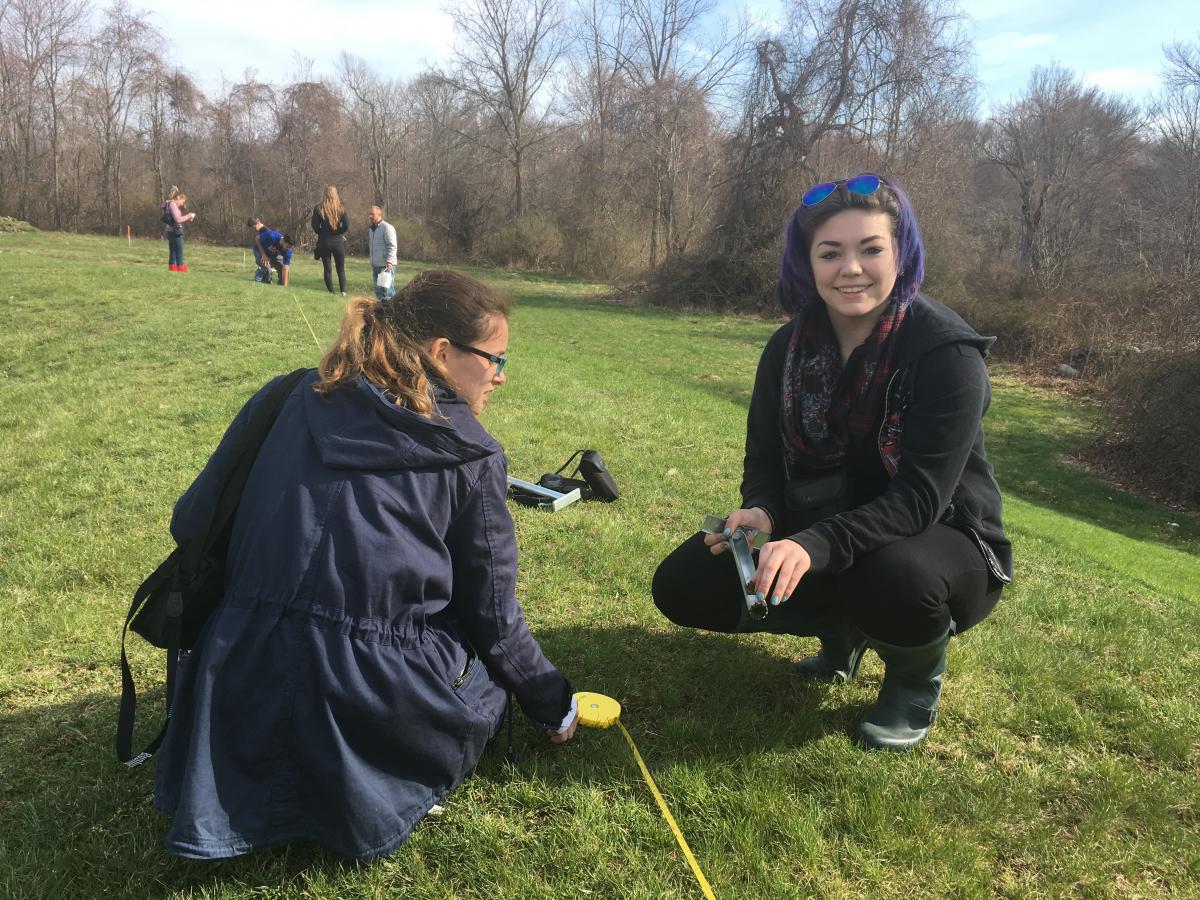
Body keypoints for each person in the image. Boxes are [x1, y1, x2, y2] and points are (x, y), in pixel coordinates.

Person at [154, 269, 579, 861]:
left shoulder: (285, 395)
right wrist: (554, 701)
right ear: (442, 352)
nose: (501, 376)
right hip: (371, 696)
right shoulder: (473, 453)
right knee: (480, 674)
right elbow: (493, 618)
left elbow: (192, 524)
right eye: (497, 359)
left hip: (234, 673)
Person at [652, 173, 1012, 751]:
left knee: (892, 575)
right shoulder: (786, 347)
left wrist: (812, 545)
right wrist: (764, 510)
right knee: (685, 582)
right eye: (831, 252)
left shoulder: (945, 352)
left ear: (901, 254)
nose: (851, 268)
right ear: (807, 262)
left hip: (940, 536)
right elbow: (764, 457)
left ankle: (913, 685)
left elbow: (920, 498)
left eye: (871, 249)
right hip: (823, 519)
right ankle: (842, 629)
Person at [311, 186, 350, 296]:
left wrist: (321, 232)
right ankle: (343, 291)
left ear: (325, 194)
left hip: (324, 241)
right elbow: (347, 225)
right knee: (340, 268)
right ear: (335, 194)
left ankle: (331, 292)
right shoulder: (341, 208)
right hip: (338, 241)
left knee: (327, 268)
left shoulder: (318, 208)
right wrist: (339, 231)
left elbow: (314, 225)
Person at [161, 187, 196, 273]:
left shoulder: (168, 203)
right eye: (182, 201)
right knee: (179, 251)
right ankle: (181, 269)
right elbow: (178, 219)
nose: (182, 204)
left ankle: (172, 268)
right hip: (174, 231)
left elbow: (162, 206)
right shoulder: (173, 205)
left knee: (172, 251)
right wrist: (189, 215)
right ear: (178, 198)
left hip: (169, 231)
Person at [368, 204, 397, 301]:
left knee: (387, 293)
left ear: (379, 214)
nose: (370, 216)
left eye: (373, 214)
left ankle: (392, 314)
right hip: (376, 266)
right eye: (369, 214)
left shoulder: (387, 228)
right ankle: (381, 315)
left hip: (385, 267)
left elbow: (392, 246)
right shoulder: (371, 229)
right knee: (379, 294)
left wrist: (389, 261)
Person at [246, 216, 272, 283]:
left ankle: (265, 281)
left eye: (254, 227)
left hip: (260, 250)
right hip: (258, 251)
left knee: (266, 267)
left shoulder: (266, 230)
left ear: (258, 223)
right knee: (264, 266)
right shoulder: (262, 229)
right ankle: (258, 281)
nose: (255, 229)